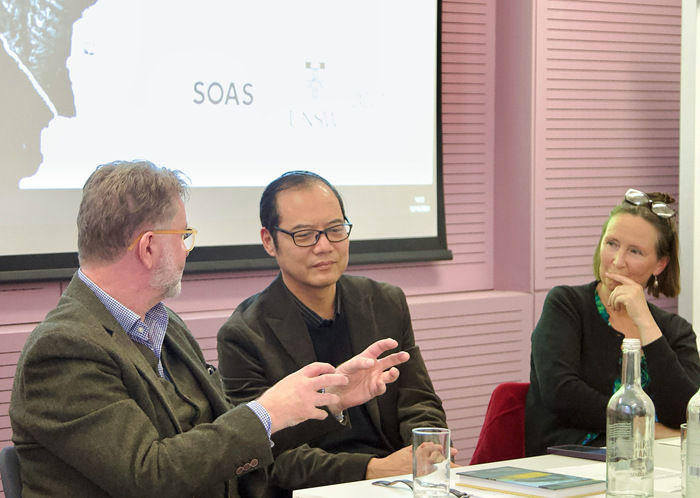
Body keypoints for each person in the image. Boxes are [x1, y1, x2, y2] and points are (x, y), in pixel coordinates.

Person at [8, 160, 409, 498]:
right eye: (183, 236)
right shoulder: (63, 349)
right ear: (149, 248)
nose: (188, 249)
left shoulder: (164, 325)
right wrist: (268, 410)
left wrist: (325, 397)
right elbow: (150, 476)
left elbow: (224, 439)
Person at [217, 170, 452, 496]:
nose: (324, 246)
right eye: (305, 235)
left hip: (398, 482)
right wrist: (371, 470)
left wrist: (426, 450)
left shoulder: (385, 302)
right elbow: (267, 456)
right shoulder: (243, 334)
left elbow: (418, 401)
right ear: (269, 241)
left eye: (335, 230)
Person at [525, 188, 700, 456]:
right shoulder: (566, 304)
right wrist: (644, 428)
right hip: (568, 459)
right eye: (612, 244)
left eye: (635, 251)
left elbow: (685, 413)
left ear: (660, 265)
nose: (618, 261)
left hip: (654, 462)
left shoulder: (676, 330)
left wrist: (645, 321)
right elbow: (560, 392)